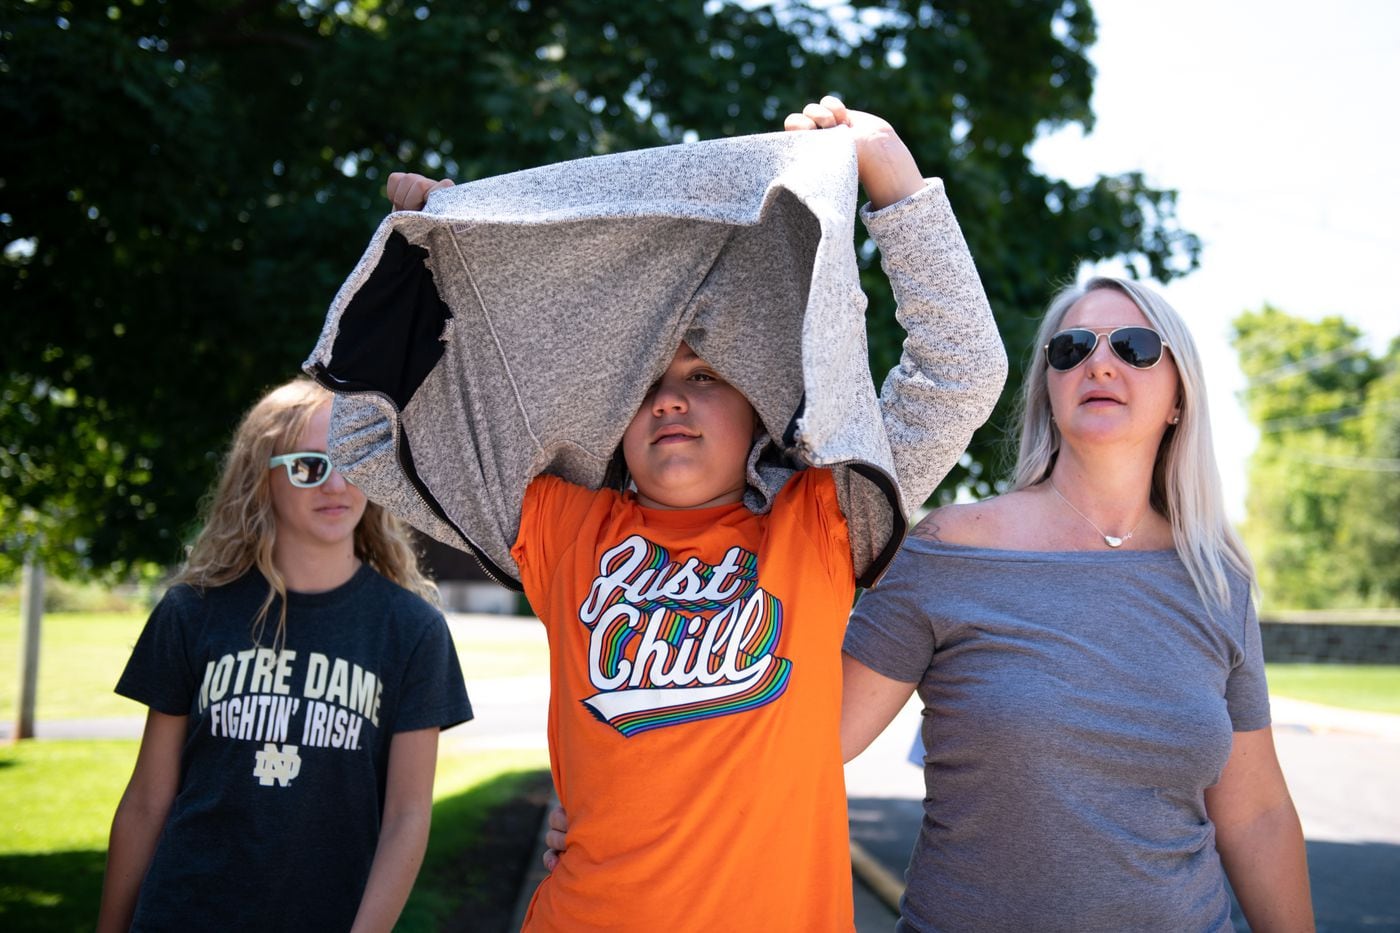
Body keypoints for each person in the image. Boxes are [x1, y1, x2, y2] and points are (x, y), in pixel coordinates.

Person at [304, 97, 1006, 931]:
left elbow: (961, 370)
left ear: (759, 409)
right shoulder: (561, 526)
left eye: (704, 375)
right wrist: (429, 265)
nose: (670, 400)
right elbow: (363, 441)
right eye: (645, 384)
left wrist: (891, 171)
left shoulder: (821, 523)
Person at [841, 277, 1314, 932]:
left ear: (1179, 396)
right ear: (1049, 390)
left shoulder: (1215, 578)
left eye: (1135, 346)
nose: (1099, 362)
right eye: (1070, 348)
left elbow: (1255, 813)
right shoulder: (949, 549)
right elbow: (814, 740)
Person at [97, 378, 472, 933]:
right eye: (308, 466)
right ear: (262, 478)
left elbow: (407, 818)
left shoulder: (411, 631)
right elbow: (149, 800)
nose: (336, 484)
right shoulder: (192, 613)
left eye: (351, 461)